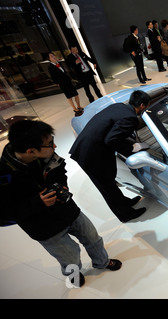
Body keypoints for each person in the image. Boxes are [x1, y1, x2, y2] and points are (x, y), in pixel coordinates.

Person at [0, 120, 122, 288]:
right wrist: (38, 202)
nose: (54, 146)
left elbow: (60, 169)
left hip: (68, 210)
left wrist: (62, 184)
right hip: (44, 227)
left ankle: (102, 262)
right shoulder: (4, 177)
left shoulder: (46, 156)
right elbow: (5, 213)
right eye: (49, 144)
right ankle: (74, 274)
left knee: (92, 237)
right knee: (69, 256)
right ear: (31, 151)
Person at [69, 90, 151, 222]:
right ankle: (125, 215)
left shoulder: (119, 106)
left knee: (110, 182)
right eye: (147, 106)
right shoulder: (131, 118)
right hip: (90, 154)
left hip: (89, 147)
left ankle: (125, 202)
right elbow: (111, 139)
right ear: (142, 105)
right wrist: (132, 148)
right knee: (106, 186)